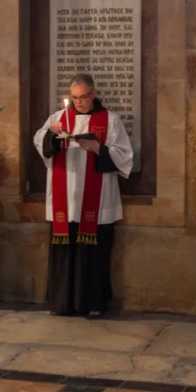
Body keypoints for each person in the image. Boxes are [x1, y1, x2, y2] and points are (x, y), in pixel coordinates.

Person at [33, 73, 133, 318]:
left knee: (94, 255)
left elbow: (125, 155)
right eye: (74, 98)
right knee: (65, 252)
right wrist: (53, 137)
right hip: (64, 199)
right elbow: (39, 143)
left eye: (83, 97)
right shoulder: (58, 119)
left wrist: (98, 148)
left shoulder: (109, 120)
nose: (78, 102)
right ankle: (63, 302)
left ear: (94, 94)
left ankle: (93, 302)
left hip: (96, 202)